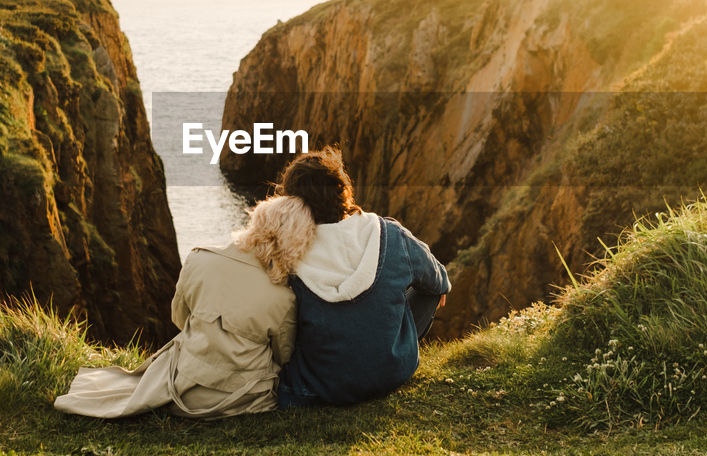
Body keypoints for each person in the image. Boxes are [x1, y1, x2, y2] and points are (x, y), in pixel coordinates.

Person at [53, 194, 316, 420]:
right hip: (244, 401)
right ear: (298, 243)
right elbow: (283, 355)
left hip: (185, 391)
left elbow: (178, 317)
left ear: (257, 220)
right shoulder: (284, 298)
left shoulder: (199, 259)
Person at [275, 147, 450, 408]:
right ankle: (383, 351)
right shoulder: (389, 233)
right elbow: (439, 282)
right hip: (391, 374)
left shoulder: (287, 254)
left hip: (318, 386)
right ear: (343, 191)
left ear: (293, 204)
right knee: (431, 289)